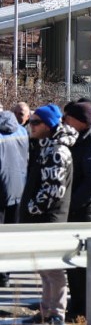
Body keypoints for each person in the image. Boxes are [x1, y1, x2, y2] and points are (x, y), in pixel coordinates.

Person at [19, 104, 77, 325]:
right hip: (43, 219)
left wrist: (33, 209)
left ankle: (57, 315)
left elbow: (54, 190)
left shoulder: (57, 151)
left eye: (35, 122)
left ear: (48, 125)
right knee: (45, 268)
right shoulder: (46, 147)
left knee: (53, 269)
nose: (30, 126)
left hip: (49, 220)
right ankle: (46, 311)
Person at [62, 101, 91, 320]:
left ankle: (85, 309)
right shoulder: (85, 140)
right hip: (82, 213)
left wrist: (69, 205)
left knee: (82, 268)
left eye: (68, 118)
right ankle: (80, 307)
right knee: (77, 267)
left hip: (86, 215)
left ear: (78, 120)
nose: (65, 123)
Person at [0, 106, 28, 289]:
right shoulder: (22, 130)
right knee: (9, 235)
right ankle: (5, 274)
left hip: (1, 189)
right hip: (19, 188)